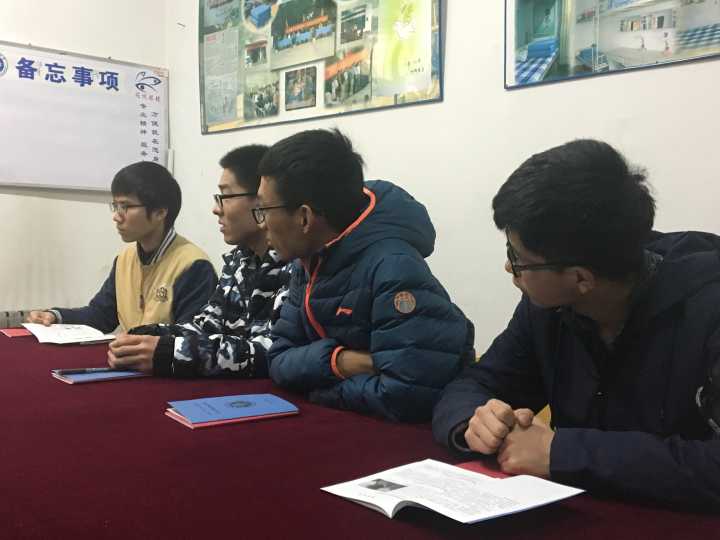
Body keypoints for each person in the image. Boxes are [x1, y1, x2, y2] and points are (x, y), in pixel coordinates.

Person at [432, 139, 720, 510]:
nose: (509, 268)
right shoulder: (546, 307)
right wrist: (474, 421)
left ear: (580, 278)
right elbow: (476, 383)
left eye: (518, 259)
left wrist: (561, 453)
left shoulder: (707, 306)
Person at [256, 129, 473, 422]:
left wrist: (317, 391)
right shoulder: (308, 259)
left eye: (264, 209)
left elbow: (404, 395)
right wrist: (340, 362)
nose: (261, 224)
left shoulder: (393, 268)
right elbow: (279, 358)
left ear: (304, 217)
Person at [107, 145, 291, 377]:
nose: (216, 209)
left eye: (225, 197)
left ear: (262, 200)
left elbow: (270, 351)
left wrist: (167, 352)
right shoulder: (240, 260)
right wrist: (142, 337)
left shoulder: (293, 263)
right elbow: (207, 325)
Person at [27, 162, 217, 333]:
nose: (117, 216)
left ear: (160, 212)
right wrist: (55, 316)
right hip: (129, 356)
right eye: (115, 206)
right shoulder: (125, 259)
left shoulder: (193, 265)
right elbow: (101, 315)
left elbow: (190, 339)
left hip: (160, 360)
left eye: (125, 206)